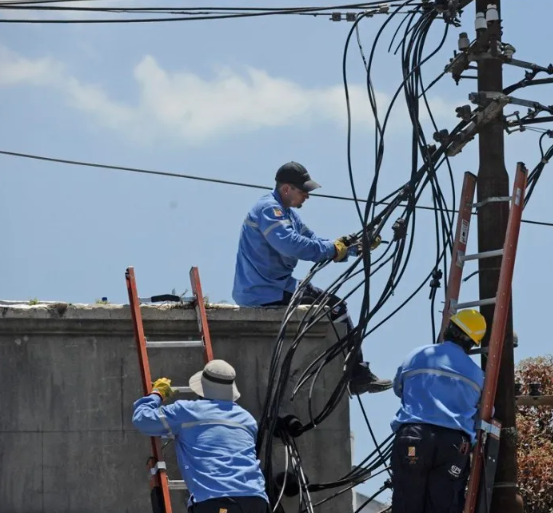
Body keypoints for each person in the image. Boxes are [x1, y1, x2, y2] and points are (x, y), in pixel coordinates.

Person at [231, 161, 391, 396]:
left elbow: (315, 241)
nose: (307, 196)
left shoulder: (289, 215)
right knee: (337, 309)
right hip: (265, 290)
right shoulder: (270, 210)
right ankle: (356, 375)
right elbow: (292, 245)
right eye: (303, 190)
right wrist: (334, 249)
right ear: (286, 189)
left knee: (334, 307)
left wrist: (355, 247)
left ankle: (353, 372)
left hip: (275, 286)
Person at [131, 359, 269, 513]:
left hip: (217, 501)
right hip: (257, 500)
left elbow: (142, 419)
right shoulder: (247, 419)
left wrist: (157, 394)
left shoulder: (187, 411)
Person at [389, 309, 487, 513]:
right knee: (444, 505)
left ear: (448, 329)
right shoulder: (477, 375)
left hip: (414, 436)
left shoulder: (417, 356)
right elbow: (487, 410)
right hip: (452, 445)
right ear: (471, 343)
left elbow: (399, 389)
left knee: (406, 503)